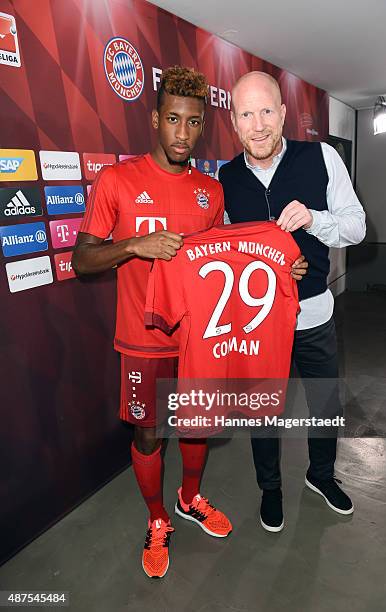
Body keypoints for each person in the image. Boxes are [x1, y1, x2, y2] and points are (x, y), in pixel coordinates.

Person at [72, 67, 234, 579]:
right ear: (155, 119)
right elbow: (82, 260)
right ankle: (158, 517)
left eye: (193, 123)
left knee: (195, 426)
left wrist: (282, 267)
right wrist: (133, 246)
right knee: (149, 436)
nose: (182, 133)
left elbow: (226, 263)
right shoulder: (118, 181)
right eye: (172, 120)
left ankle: (190, 498)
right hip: (143, 342)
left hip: (198, 344)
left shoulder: (212, 192)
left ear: (202, 125)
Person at [218, 71, 366, 532]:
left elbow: (356, 227)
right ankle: (271, 490)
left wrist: (314, 220)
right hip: (259, 325)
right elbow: (227, 250)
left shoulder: (320, 157)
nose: (258, 124)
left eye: (267, 111)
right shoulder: (226, 177)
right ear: (234, 122)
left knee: (325, 404)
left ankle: (321, 476)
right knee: (263, 412)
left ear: (283, 114)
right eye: (247, 114)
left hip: (315, 314)